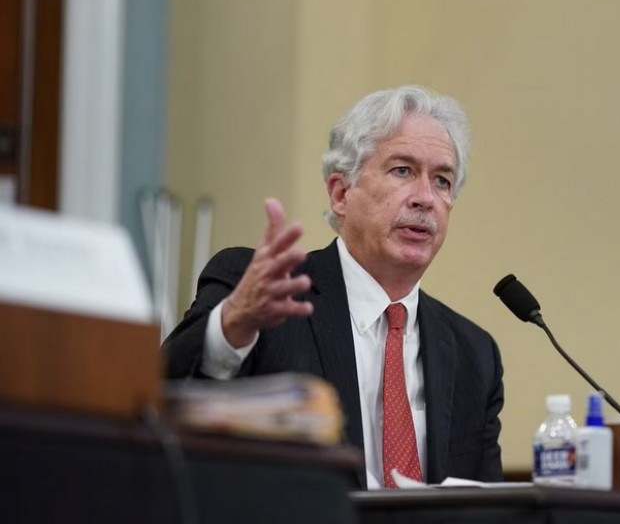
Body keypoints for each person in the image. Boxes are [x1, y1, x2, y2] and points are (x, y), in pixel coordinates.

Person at [163, 85, 504, 490]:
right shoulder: (264, 292)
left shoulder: (473, 355)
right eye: (402, 171)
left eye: (443, 181)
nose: (425, 198)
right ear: (341, 193)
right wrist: (233, 325)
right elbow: (162, 397)